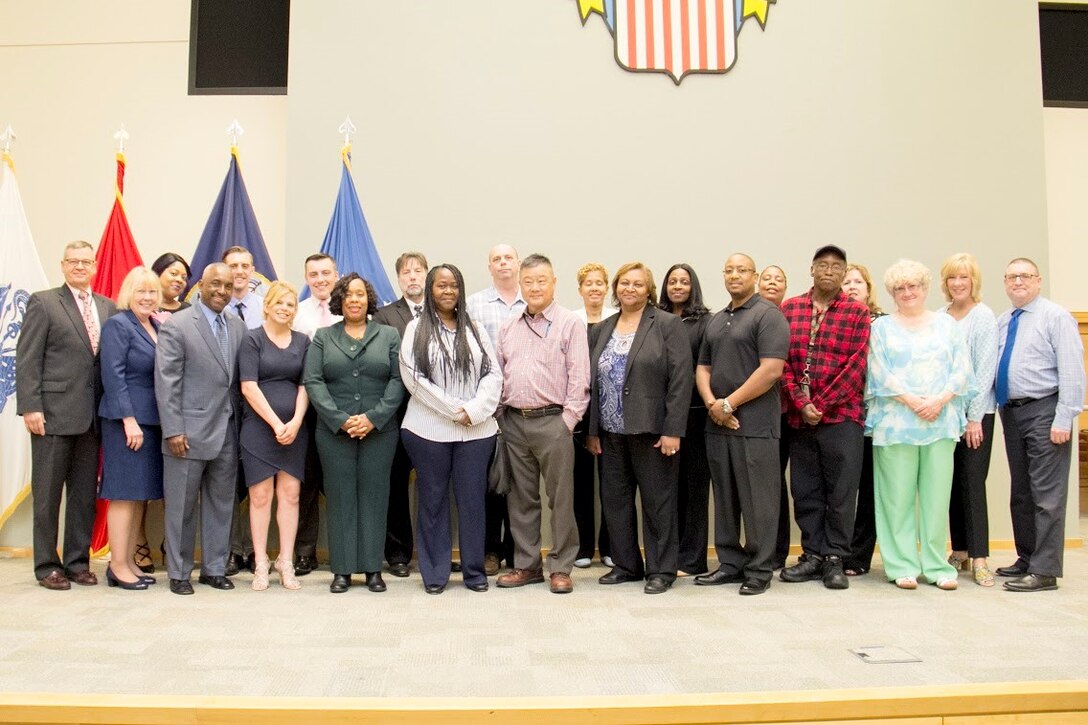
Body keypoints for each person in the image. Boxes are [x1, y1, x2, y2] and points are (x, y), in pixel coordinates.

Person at [17, 241, 117, 590]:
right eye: (73, 261)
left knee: (83, 495)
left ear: (94, 266)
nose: (79, 267)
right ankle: (47, 566)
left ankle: (77, 562)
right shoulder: (43, 303)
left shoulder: (108, 307)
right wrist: (31, 406)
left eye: (85, 261)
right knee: (47, 495)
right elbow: (28, 359)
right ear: (62, 265)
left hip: (91, 418)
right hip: (52, 415)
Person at [865, 259, 970, 591]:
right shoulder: (880, 327)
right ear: (892, 293)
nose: (907, 293)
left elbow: (961, 369)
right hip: (896, 423)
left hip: (940, 421)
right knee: (896, 498)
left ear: (925, 289)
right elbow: (878, 371)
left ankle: (938, 566)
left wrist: (938, 401)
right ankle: (901, 565)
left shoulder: (947, 325)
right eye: (900, 288)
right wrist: (912, 401)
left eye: (913, 286)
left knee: (937, 499)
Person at [587, 262, 692, 594]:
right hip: (610, 431)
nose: (629, 289)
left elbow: (680, 379)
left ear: (649, 290)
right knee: (615, 500)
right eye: (624, 283)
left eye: (637, 284)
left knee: (658, 503)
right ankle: (626, 564)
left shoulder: (667, 324)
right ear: (616, 288)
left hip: (652, 431)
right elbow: (593, 383)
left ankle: (661, 569)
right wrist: (592, 430)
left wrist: (673, 429)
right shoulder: (602, 327)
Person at [399, 264, 501, 594]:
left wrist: (473, 411)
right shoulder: (416, 328)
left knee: (473, 503)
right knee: (432, 501)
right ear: (430, 290)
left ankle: (474, 573)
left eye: (453, 285)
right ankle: (434, 574)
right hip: (427, 431)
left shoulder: (475, 329)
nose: (447, 291)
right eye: (441, 285)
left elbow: (493, 374)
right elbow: (413, 377)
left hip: (476, 432)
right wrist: (453, 411)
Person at [694, 254, 789, 596]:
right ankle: (731, 563)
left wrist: (730, 403)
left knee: (758, 500)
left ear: (755, 276)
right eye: (729, 270)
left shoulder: (769, 315)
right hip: (718, 423)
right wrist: (712, 404)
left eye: (742, 270)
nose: (734, 276)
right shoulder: (717, 320)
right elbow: (702, 368)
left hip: (755, 426)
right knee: (725, 497)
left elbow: (771, 370)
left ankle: (760, 569)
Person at [494, 254, 590, 594]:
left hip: (553, 422)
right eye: (528, 281)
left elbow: (580, 379)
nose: (535, 287)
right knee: (521, 499)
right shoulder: (508, 325)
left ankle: (561, 567)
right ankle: (527, 565)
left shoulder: (569, 323)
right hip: (514, 422)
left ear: (553, 283)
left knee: (561, 498)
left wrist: (567, 421)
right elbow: (499, 373)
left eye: (541, 281)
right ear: (520, 284)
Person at [303, 273, 404, 594]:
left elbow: (398, 380)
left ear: (368, 299)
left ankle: (374, 569)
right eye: (348, 295)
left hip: (380, 431)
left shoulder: (388, 335)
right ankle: (342, 570)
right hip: (334, 433)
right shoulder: (323, 336)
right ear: (340, 301)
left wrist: (374, 418)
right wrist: (341, 419)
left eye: (360, 294)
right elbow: (313, 381)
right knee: (341, 497)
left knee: (375, 497)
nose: (355, 300)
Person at [778, 245, 870, 590]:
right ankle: (812, 554)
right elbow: (782, 362)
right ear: (812, 270)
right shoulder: (790, 309)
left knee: (841, 491)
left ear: (844, 273)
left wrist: (823, 404)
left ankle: (834, 557)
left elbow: (857, 365)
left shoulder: (857, 313)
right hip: (800, 419)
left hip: (842, 418)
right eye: (823, 265)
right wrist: (801, 403)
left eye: (836, 267)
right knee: (805, 490)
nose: (829, 271)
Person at [155, 262, 246, 595]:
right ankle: (178, 573)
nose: (221, 291)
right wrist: (173, 430)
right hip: (187, 433)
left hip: (227, 430)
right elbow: (166, 383)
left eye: (227, 285)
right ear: (201, 286)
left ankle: (214, 568)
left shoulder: (237, 326)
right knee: (181, 505)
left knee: (222, 504)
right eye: (215, 285)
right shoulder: (178, 326)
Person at [995, 258, 1085, 592]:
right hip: (1012, 412)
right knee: (1021, 491)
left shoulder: (1055, 316)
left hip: (1046, 410)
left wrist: (1065, 416)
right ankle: (1027, 558)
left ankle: (1045, 570)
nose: (1018, 282)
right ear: (1005, 282)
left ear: (1038, 281)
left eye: (1025, 276)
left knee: (1047, 495)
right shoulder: (1005, 321)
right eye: (1011, 276)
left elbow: (1073, 370)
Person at [239, 281, 310, 591]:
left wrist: (294, 422)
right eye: (279, 302)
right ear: (266, 306)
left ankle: (285, 561)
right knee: (260, 496)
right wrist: (274, 423)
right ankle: (260, 563)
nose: (285, 308)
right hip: (258, 428)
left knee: (291, 495)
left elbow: (306, 385)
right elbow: (248, 386)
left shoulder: (304, 341)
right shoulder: (251, 339)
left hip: (295, 429)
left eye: (291, 304)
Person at [97, 267, 163, 590]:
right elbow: (113, 376)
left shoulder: (155, 326)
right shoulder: (117, 325)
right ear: (128, 294)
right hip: (127, 424)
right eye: (141, 291)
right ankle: (117, 565)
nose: (148, 297)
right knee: (123, 494)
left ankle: (129, 563)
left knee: (139, 495)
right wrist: (128, 420)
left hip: (151, 422)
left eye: (152, 292)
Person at [939, 253, 999, 587]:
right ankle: (959, 551)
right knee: (949, 485)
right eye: (952, 278)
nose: (958, 284)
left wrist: (974, 418)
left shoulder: (983, 317)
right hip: (946, 415)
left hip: (976, 415)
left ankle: (980, 558)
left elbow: (984, 370)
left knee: (972, 484)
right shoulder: (940, 317)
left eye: (964, 277)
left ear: (974, 280)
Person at [466, 244, 526, 576]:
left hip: (522, 407)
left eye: (508, 258)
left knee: (520, 483)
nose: (503, 263)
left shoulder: (532, 302)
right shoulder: (474, 305)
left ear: (518, 263)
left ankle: (517, 551)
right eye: (496, 259)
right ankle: (490, 550)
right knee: (490, 483)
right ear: (489, 267)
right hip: (485, 409)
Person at [373, 251, 429, 578]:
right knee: (395, 484)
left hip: (437, 414)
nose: (412, 276)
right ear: (398, 279)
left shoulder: (443, 313)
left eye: (417, 270)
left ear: (426, 274)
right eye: (406, 272)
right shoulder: (383, 316)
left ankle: (434, 551)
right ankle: (397, 554)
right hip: (397, 413)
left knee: (434, 486)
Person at [659, 263, 712, 577]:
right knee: (668, 489)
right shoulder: (656, 318)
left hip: (694, 416)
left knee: (694, 489)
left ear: (693, 286)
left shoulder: (705, 322)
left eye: (684, 281)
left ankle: (692, 559)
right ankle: (670, 554)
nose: (678, 286)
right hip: (662, 415)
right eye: (672, 281)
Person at [290, 252, 341, 576]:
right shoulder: (297, 313)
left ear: (336, 275)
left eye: (326, 273)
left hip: (342, 410)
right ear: (306, 278)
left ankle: (343, 550)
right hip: (306, 410)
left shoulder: (351, 312)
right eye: (314, 274)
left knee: (339, 484)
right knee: (306, 485)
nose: (320, 279)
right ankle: (305, 552)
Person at [840, 263, 885, 577]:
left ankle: (859, 556)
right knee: (842, 488)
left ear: (868, 288)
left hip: (875, 417)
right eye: (846, 282)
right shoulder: (834, 320)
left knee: (869, 489)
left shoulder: (882, 323)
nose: (852, 286)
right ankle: (835, 551)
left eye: (858, 282)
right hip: (842, 413)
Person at [222, 246, 263, 576]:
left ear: (253, 271)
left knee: (257, 483)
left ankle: (253, 549)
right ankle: (232, 550)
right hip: (223, 405)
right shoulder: (208, 307)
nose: (239, 271)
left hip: (261, 404)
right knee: (226, 481)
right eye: (232, 265)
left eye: (244, 265)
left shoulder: (266, 307)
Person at [572, 262, 614, 568]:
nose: (595, 288)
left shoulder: (618, 321)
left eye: (600, 283)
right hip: (579, 412)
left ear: (607, 288)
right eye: (589, 283)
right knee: (580, 482)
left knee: (613, 482)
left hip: (611, 411)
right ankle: (583, 547)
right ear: (580, 289)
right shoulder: (570, 321)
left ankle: (611, 547)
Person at [759, 264, 792, 570]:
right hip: (756, 413)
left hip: (788, 414)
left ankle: (779, 550)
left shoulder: (791, 316)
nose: (772, 282)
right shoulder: (749, 317)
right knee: (763, 484)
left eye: (778, 279)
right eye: (766, 278)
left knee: (777, 485)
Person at [152, 252, 192, 317]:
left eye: (184, 278)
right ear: (157, 273)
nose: (179, 280)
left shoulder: (189, 311)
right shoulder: (144, 306)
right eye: (174, 274)